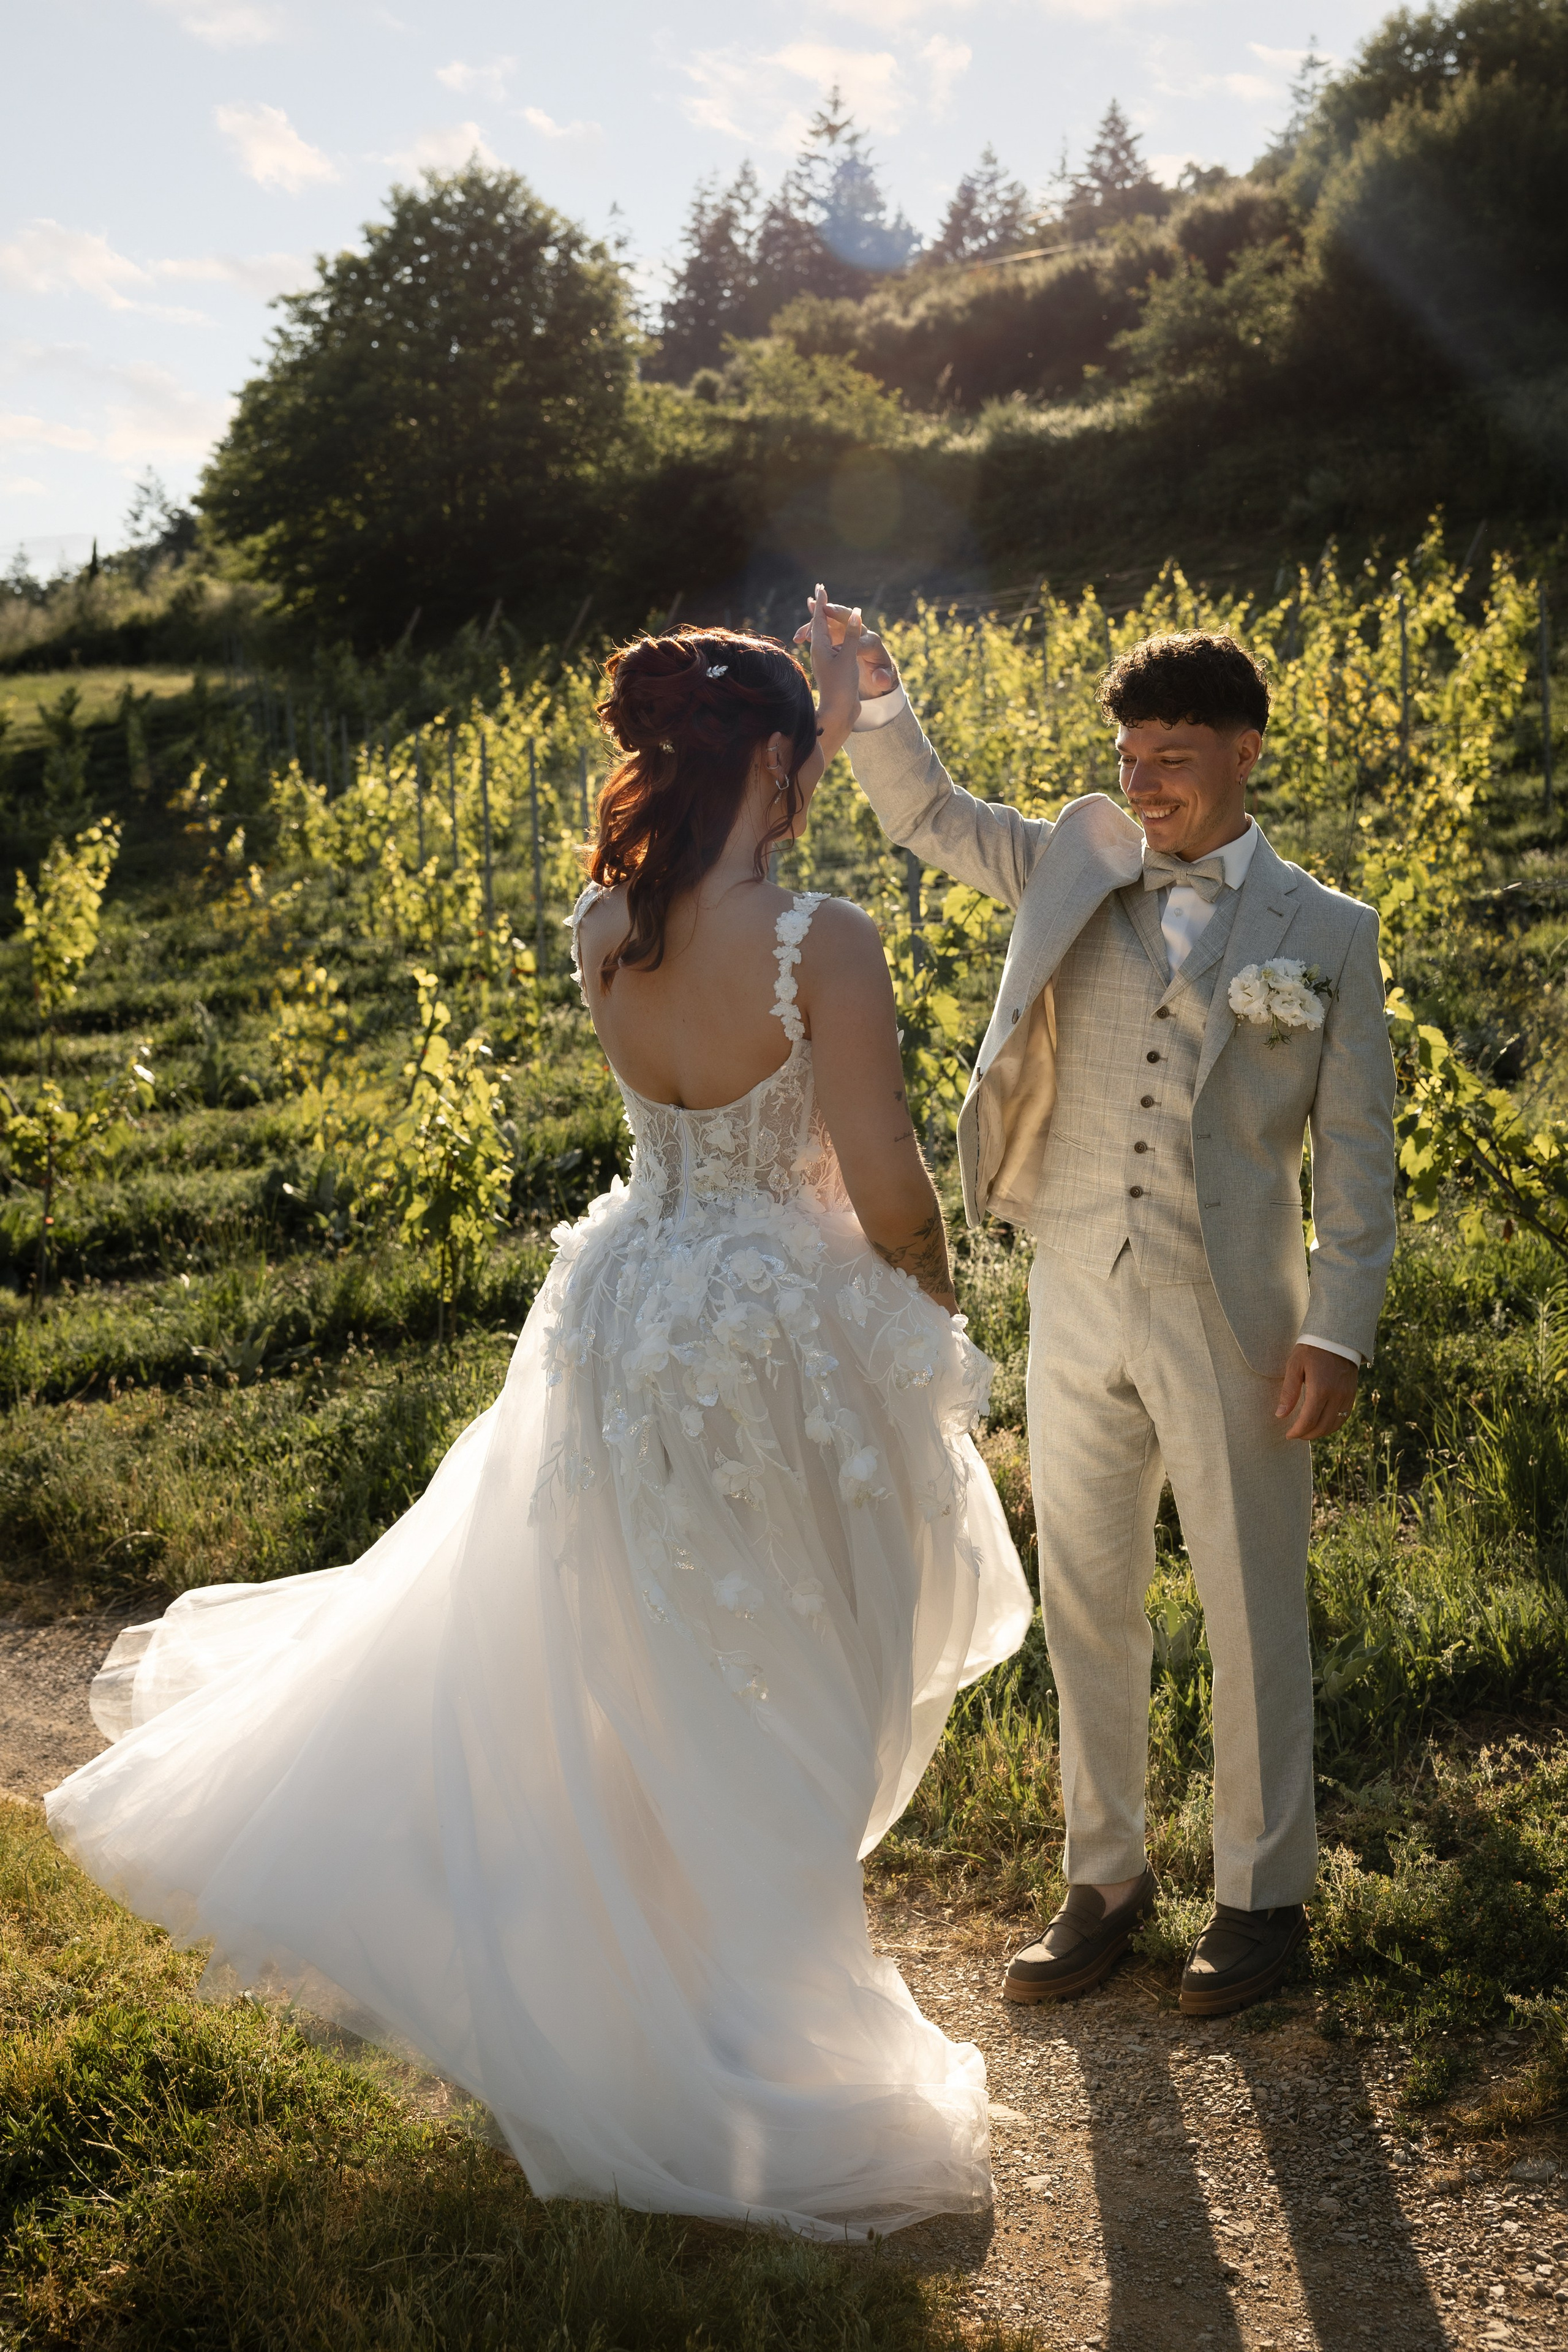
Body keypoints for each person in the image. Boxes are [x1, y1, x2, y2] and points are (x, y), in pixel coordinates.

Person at [46, 614, 1033, 2241]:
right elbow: (887, 1187)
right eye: (793, 760)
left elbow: (706, 1032)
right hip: (778, 1339)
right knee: (795, 1669)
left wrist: (800, 723)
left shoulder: (603, 925)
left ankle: (687, 2002)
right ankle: (774, 2052)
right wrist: (932, 1335)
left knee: (656, 1670)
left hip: (632, 1311)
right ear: (780, 767)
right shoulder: (825, 943)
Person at [805, 593, 1396, 2018]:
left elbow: (1358, 1152)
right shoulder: (1073, 863)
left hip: (1238, 1316)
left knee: (1252, 1606)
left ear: (1244, 751)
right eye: (1129, 754)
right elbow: (930, 815)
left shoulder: (1323, 930)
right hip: (1072, 1282)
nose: (1143, 779)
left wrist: (1336, 1326)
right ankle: (1104, 1880)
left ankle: (1260, 1907)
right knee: (1085, 1595)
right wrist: (876, 692)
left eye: (1173, 754)